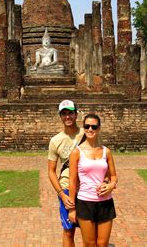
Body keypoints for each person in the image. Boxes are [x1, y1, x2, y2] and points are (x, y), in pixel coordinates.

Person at [68, 113, 118, 247]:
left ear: (99, 129)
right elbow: (72, 182)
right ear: (84, 128)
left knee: (102, 244)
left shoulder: (106, 151)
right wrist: (72, 209)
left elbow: (113, 176)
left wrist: (111, 185)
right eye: (87, 126)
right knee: (89, 244)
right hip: (85, 202)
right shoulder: (76, 152)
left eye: (94, 126)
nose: (90, 129)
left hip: (105, 202)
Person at [48, 99, 85, 247]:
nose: (67, 117)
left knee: (88, 230)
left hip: (86, 188)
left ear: (76, 115)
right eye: (64, 114)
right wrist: (61, 194)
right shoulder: (55, 140)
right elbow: (50, 171)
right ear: (60, 116)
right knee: (68, 230)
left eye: (70, 113)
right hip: (66, 188)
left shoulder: (86, 133)